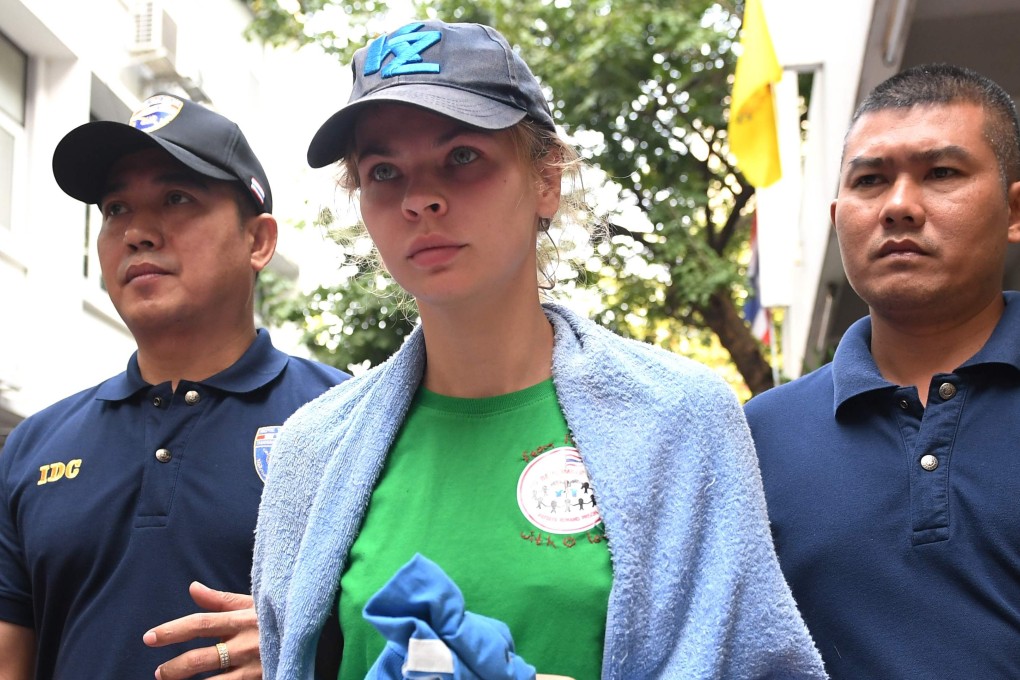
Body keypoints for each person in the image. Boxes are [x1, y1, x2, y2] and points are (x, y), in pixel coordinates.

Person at [251, 19, 827, 680]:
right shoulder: (311, 452)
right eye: (384, 171)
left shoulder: (682, 419)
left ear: (546, 178)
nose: (420, 199)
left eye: (462, 156)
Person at [0, 94, 348, 679]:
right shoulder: (33, 446)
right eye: (115, 208)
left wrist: (311, 648)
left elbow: (422, 635)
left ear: (259, 241)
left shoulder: (348, 421)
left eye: (176, 198)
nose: (137, 231)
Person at [744, 63, 1020, 678]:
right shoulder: (757, 437)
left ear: (1013, 210)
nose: (898, 206)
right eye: (871, 181)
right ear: (838, 216)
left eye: (941, 173)